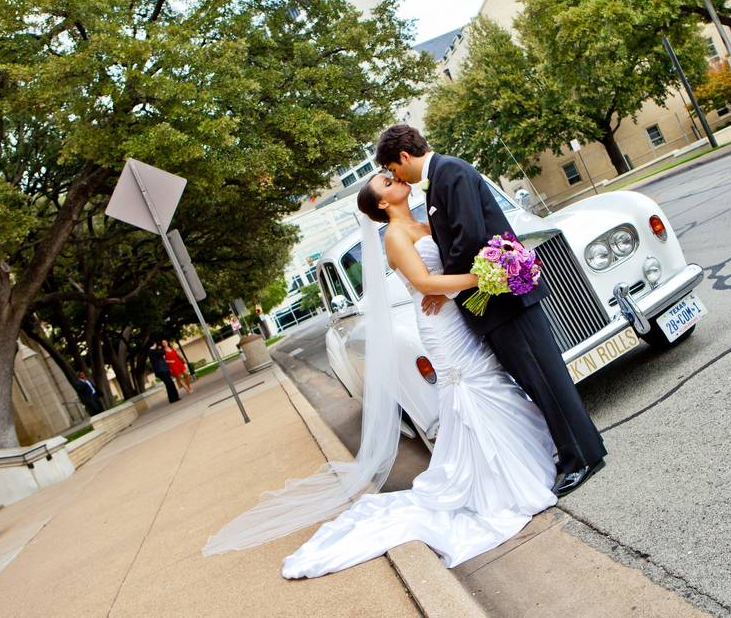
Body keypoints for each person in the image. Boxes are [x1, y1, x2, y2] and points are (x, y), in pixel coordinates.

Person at [203, 172, 558, 579]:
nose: (394, 180)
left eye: (390, 176)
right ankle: (497, 482)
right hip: (440, 327)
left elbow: (448, 266)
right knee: (468, 389)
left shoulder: (425, 223)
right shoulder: (393, 236)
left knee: (488, 381)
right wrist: (486, 278)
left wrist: (484, 270)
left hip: (459, 317)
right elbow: (424, 282)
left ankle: (519, 459)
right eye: (386, 182)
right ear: (383, 203)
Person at [376, 125, 606, 495]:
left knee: (546, 378)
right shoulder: (437, 183)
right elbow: (462, 241)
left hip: (506, 301)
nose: (395, 176)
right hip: (492, 303)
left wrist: (445, 289)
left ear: (403, 157)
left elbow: (469, 237)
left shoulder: (450, 173)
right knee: (536, 381)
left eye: (393, 169)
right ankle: (573, 449)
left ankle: (583, 456)